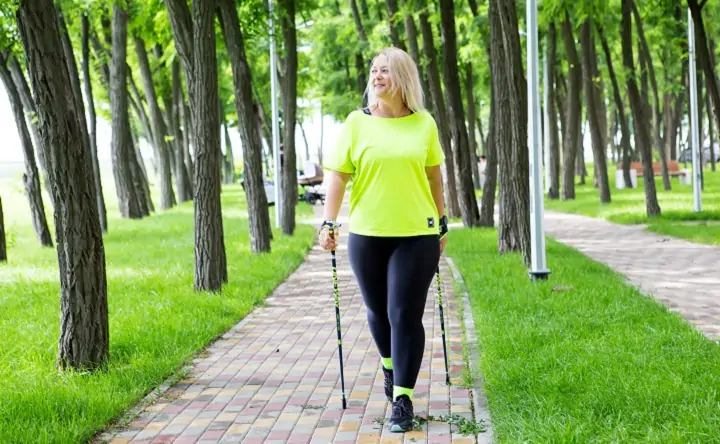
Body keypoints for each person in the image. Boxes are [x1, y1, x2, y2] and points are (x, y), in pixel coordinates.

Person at [318, 47, 448, 433]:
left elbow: (434, 176)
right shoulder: (356, 123)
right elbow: (338, 176)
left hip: (417, 234)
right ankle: (390, 367)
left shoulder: (424, 124)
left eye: (386, 71)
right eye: (374, 70)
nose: (377, 76)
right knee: (377, 311)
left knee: (404, 314)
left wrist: (442, 222)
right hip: (367, 234)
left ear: (403, 78)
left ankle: (403, 399)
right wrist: (328, 223)